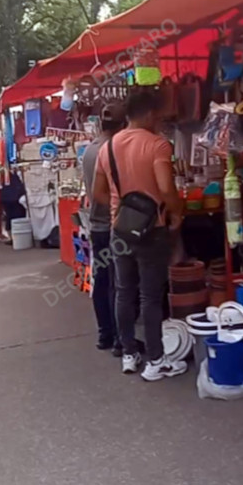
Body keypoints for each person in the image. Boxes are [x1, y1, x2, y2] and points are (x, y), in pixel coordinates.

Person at [94, 88, 186, 382]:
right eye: (157, 116)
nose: (159, 121)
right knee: (149, 297)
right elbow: (166, 188)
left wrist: (120, 204)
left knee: (124, 291)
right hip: (152, 230)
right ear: (148, 114)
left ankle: (130, 354)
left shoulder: (106, 148)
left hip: (119, 229)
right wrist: (176, 214)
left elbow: (97, 192)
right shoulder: (158, 145)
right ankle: (156, 360)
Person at [82, 102, 125, 355]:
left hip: (97, 226)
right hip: (113, 225)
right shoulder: (112, 150)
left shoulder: (90, 150)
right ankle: (120, 338)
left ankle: (105, 333)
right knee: (118, 283)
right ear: (122, 125)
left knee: (102, 280)